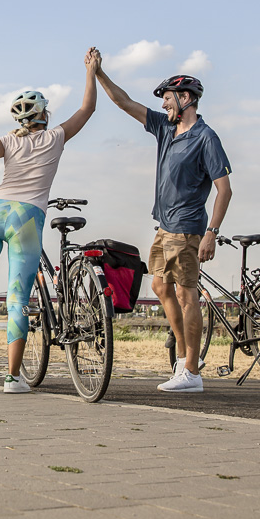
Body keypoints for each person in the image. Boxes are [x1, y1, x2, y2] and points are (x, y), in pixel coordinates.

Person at [0, 49, 99, 393]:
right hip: (26, 217)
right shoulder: (55, 136)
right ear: (44, 114)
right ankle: (13, 378)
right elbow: (87, 109)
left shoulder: (7, 141)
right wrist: (90, 71)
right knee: (16, 299)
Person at [93, 60, 231, 393]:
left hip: (187, 228)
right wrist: (98, 73)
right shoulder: (165, 128)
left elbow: (224, 189)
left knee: (186, 295)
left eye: (167, 98)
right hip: (164, 225)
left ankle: (192, 373)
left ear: (185, 98)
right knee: (159, 287)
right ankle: (182, 360)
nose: (164, 104)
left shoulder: (205, 137)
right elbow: (124, 102)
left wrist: (210, 233)